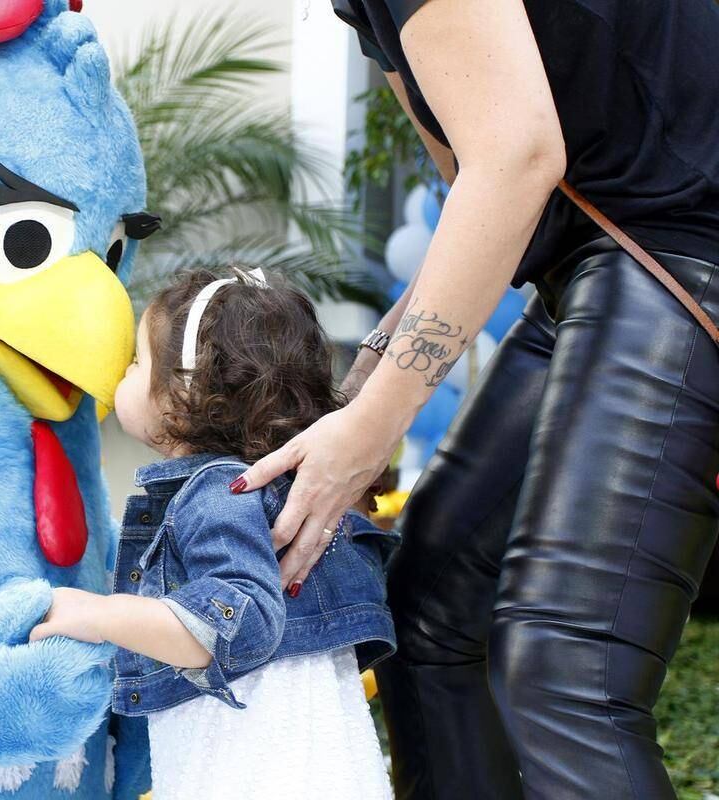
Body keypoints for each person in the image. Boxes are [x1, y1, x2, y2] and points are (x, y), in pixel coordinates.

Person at [232, 1, 719, 798]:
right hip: (598, 259)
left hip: (683, 250)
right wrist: (362, 398)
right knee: (429, 603)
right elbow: (478, 198)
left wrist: (375, 423)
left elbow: (518, 155)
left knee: (567, 664)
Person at [31, 268, 396, 799]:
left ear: (182, 391)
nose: (124, 374)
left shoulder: (217, 492)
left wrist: (98, 615)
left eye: (137, 362)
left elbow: (235, 622)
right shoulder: (298, 500)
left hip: (256, 773)